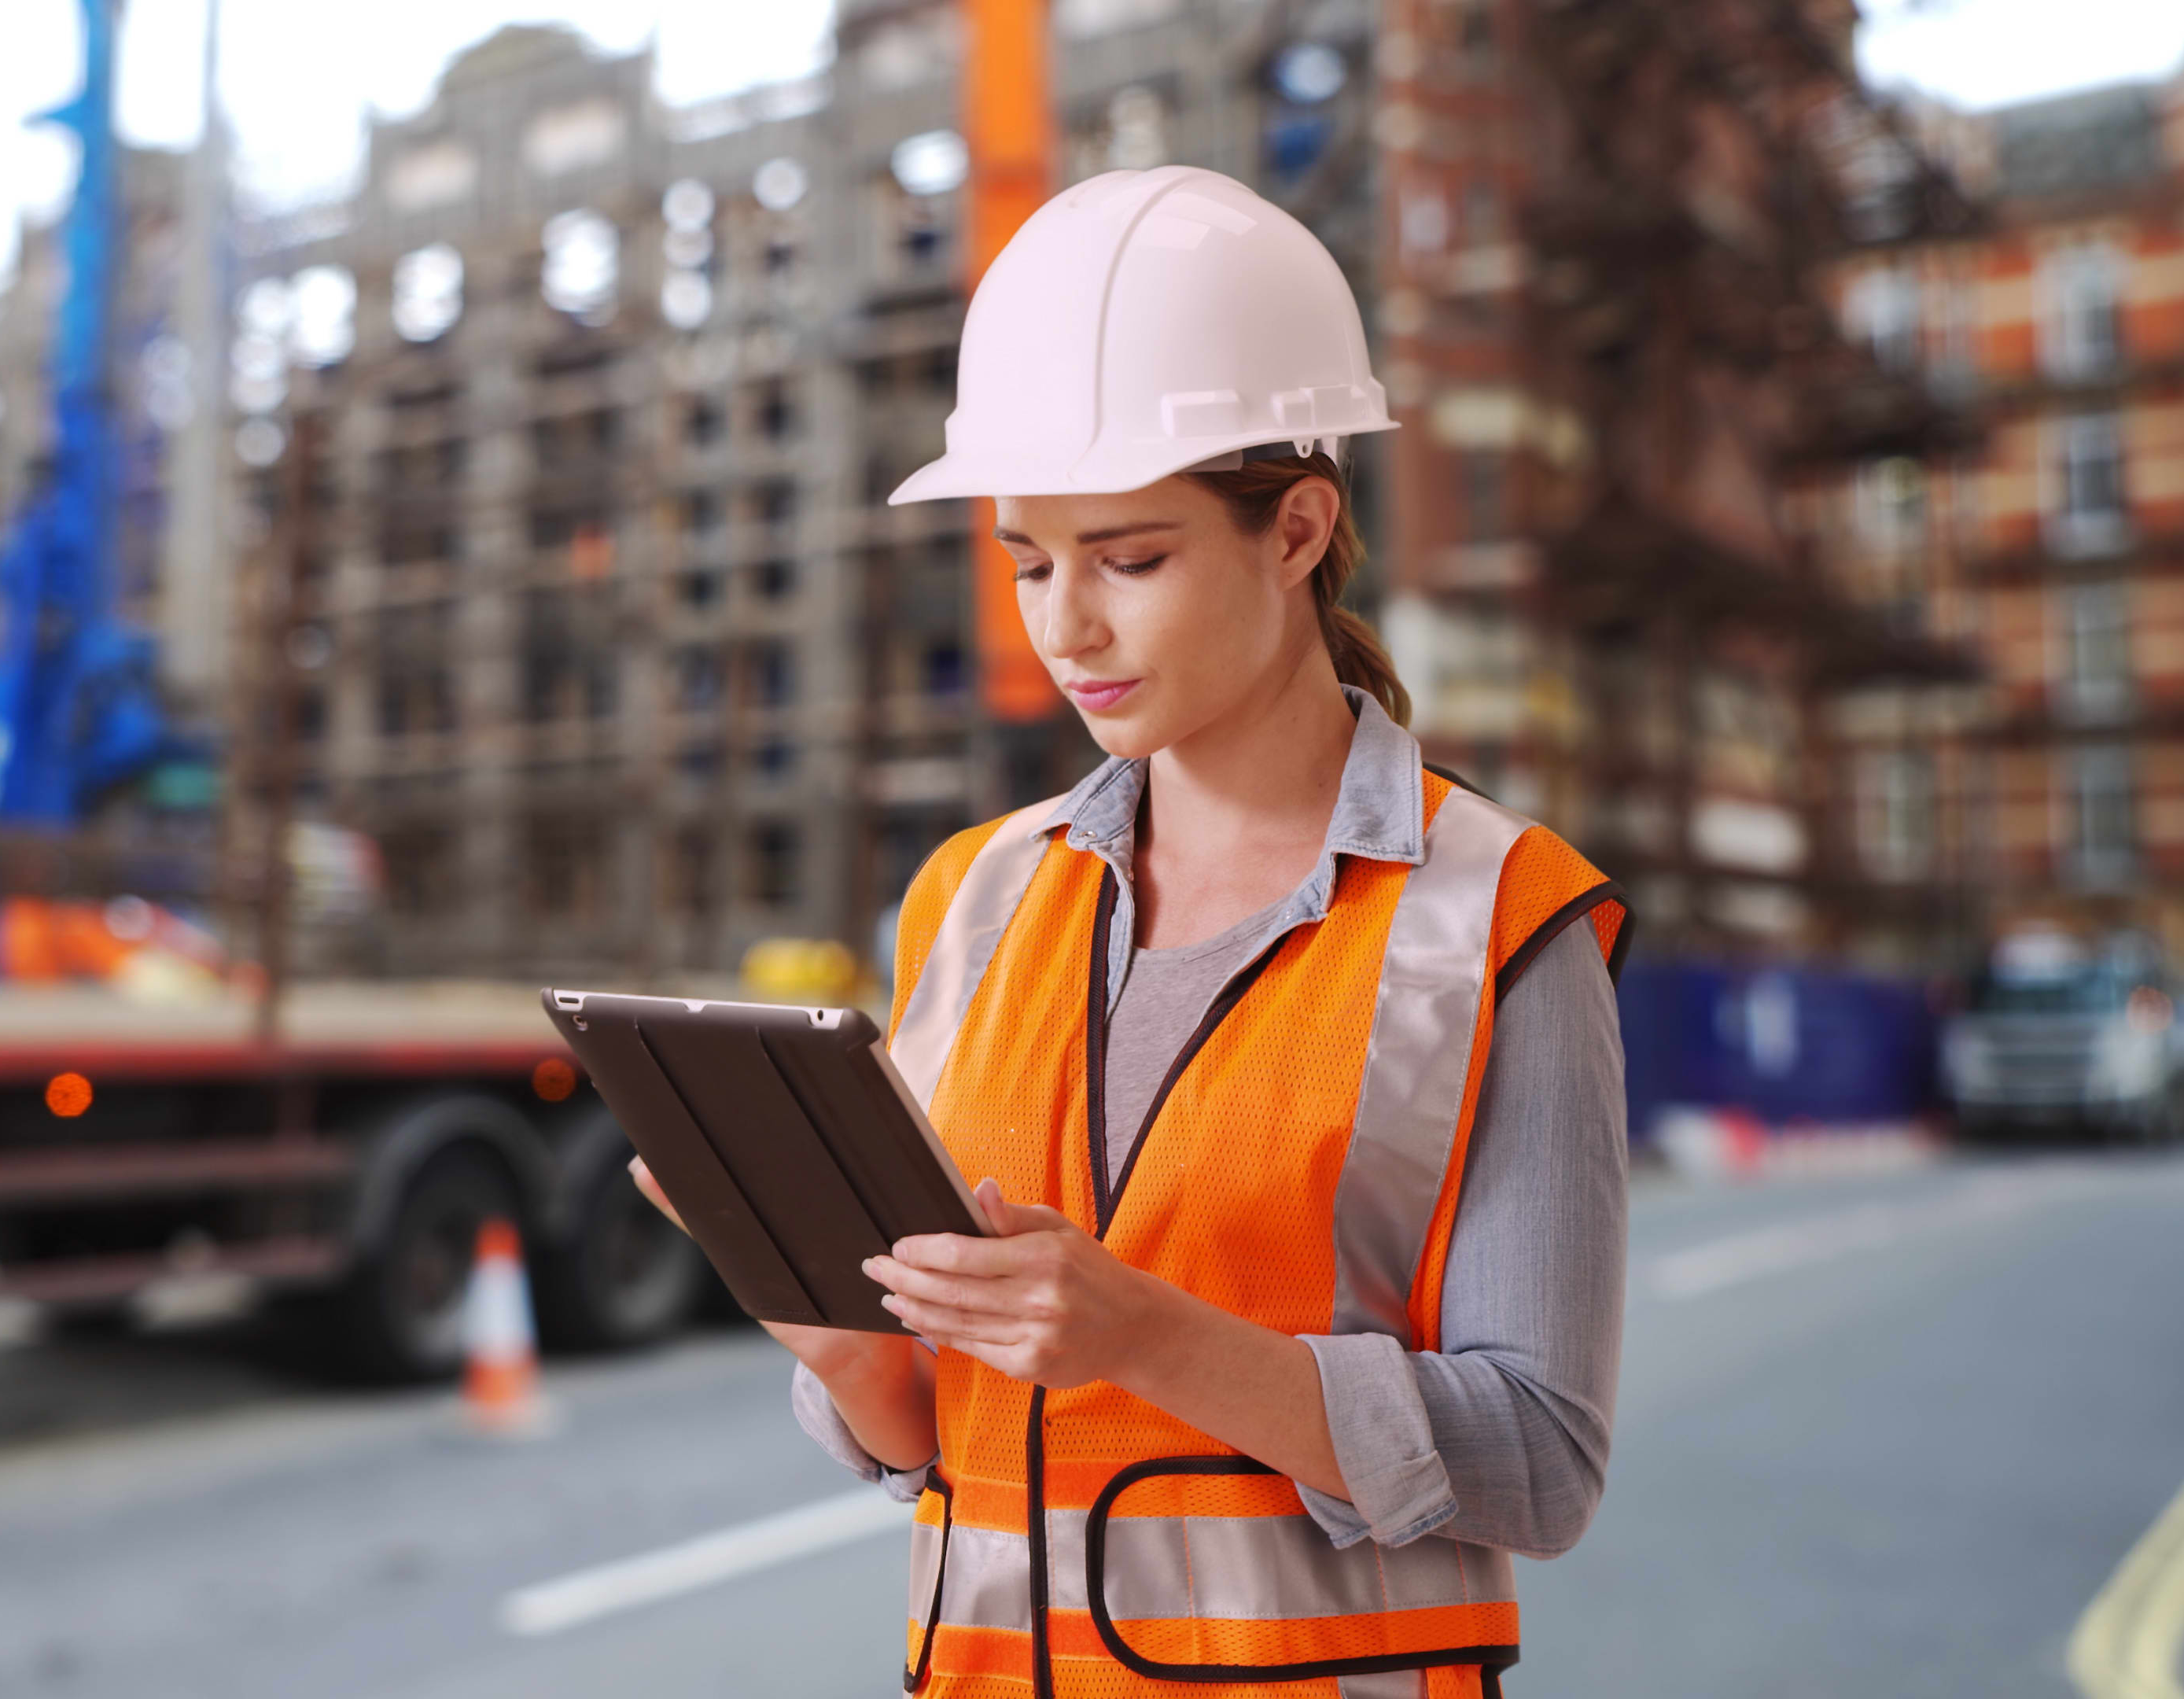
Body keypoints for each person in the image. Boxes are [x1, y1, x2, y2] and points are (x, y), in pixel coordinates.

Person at [637, 166, 1630, 1697]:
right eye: (1027, 560)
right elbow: (937, 1441)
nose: (1064, 628)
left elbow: (1540, 1466)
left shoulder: (1495, 917)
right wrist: (835, 1340)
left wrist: (1144, 1335)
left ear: (1296, 529)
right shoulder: (973, 896)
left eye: (1129, 558)